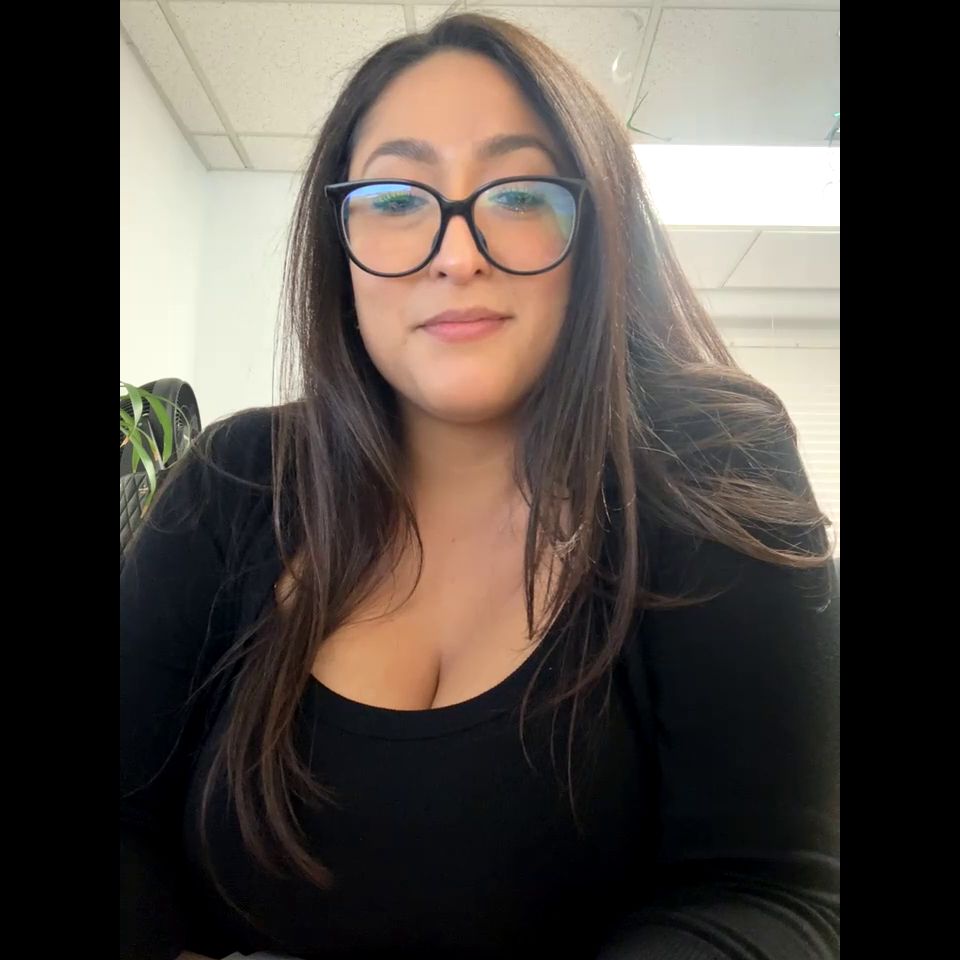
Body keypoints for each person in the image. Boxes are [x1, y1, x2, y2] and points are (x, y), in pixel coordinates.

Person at [120, 12, 839, 960]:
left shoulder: (713, 465)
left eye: (520, 193)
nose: (457, 254)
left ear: (596, 231)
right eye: (394, 197)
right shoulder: (233, 481)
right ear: (339, 244)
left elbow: (773, 896)